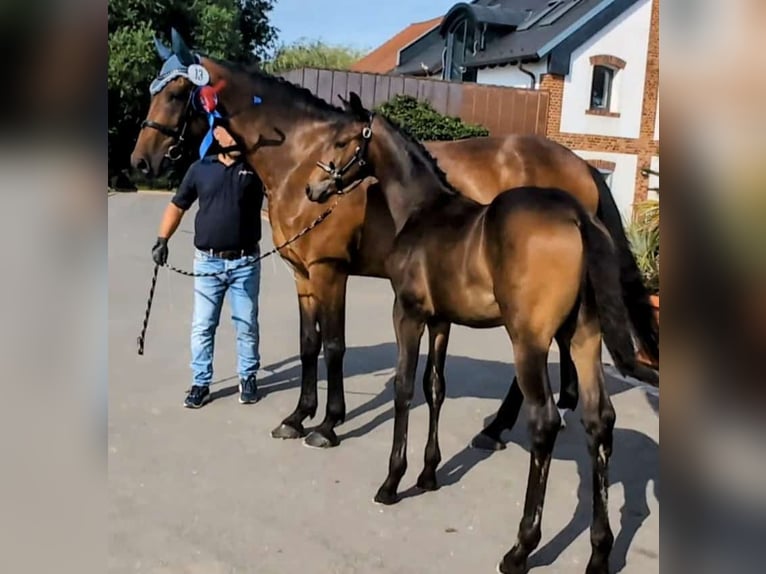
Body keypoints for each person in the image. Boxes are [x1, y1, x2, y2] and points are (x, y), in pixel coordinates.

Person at [151, 120, 265, 408]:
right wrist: (162, 239)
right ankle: (201, 382)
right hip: (208, 264)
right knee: (203, 325)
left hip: (245, 262)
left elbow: (280, 202)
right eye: (232, 130)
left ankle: (248, 377)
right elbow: (178, 205)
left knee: (246, 324)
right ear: (218, 133)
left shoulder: (257, 169)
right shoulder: (200, 169)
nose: (239, 135)